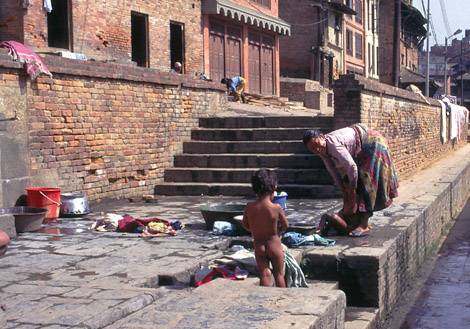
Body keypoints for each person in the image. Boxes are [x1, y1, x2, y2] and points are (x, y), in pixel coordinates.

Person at [303, 124, 399, 237]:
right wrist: (342, 188)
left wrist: (352, 189)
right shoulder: (322, 151)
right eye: (313, 149)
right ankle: (361, 218)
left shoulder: (333, 145)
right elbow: (332, 170)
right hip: (362, 145)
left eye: (317, 145)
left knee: (366, 181)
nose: (317, 150)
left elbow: (352, 167)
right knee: (352, 181)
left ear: (322, 137)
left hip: (373, 142)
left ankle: (364, 225)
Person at [242, 169, 288, 287]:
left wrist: (254, 230)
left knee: (264, 273)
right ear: (274, 188)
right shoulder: (276, 207)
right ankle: (282, 300)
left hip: (259, 245)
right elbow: (286, 225)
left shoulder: (249, 207)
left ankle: (265, 299)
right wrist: (278, 231)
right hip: (274, 245)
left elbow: (245, 225)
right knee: (279, 274)